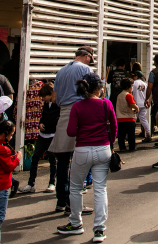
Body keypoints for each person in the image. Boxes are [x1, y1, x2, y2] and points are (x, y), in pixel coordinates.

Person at [56, 73, 116, 243]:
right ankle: (99, 229)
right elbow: (114, 127)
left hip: (82, 149)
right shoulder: (106, 104)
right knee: (100, 188)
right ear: (99, 89)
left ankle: (76, 223)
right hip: (103, 149)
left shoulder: (77, 106)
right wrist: (110, 144)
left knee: (75, 187)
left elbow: (70, 132)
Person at [50, 46, 95, 213]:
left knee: (62, 160)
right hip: (79, 113)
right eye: (90, 59)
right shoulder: (86, 70)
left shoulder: (61, 71)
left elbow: (54, 98)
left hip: (63, 114)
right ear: (86, 56)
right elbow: (94, 93)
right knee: (79, 160)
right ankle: (74, 204)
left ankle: (61, 200)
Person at [24, 83, 58, 193]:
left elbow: (57, 119)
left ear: (50, 94)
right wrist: (40, 123)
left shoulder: (58, 104)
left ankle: (52, 183)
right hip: (43, 135)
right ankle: (31, 184)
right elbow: (43, 117)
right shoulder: (46, 104)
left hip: (52, 135)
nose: (43, 99)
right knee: (35, 158)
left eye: (44, 96)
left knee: (52, 160)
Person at [115, 78, 138, 152]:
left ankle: (122, 147)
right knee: (131, 134)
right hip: (129, 118)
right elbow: (132, 104)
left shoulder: (119, 95)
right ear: (128, 86)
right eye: (132, 86)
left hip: (119, 118)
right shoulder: (128, 95)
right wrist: (137, 108)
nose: (132, 88)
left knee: (121, 135)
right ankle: (132, 147)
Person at [131, 71, 152, 143]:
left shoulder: (134, 83)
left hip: (135, 104)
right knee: (143, 119)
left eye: (134, 76)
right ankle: (148, 134)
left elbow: (131, 92)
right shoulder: (145, 84)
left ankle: (130, 135)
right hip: (143, 103)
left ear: (136, 76)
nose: (133, 77)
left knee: (133, 120)